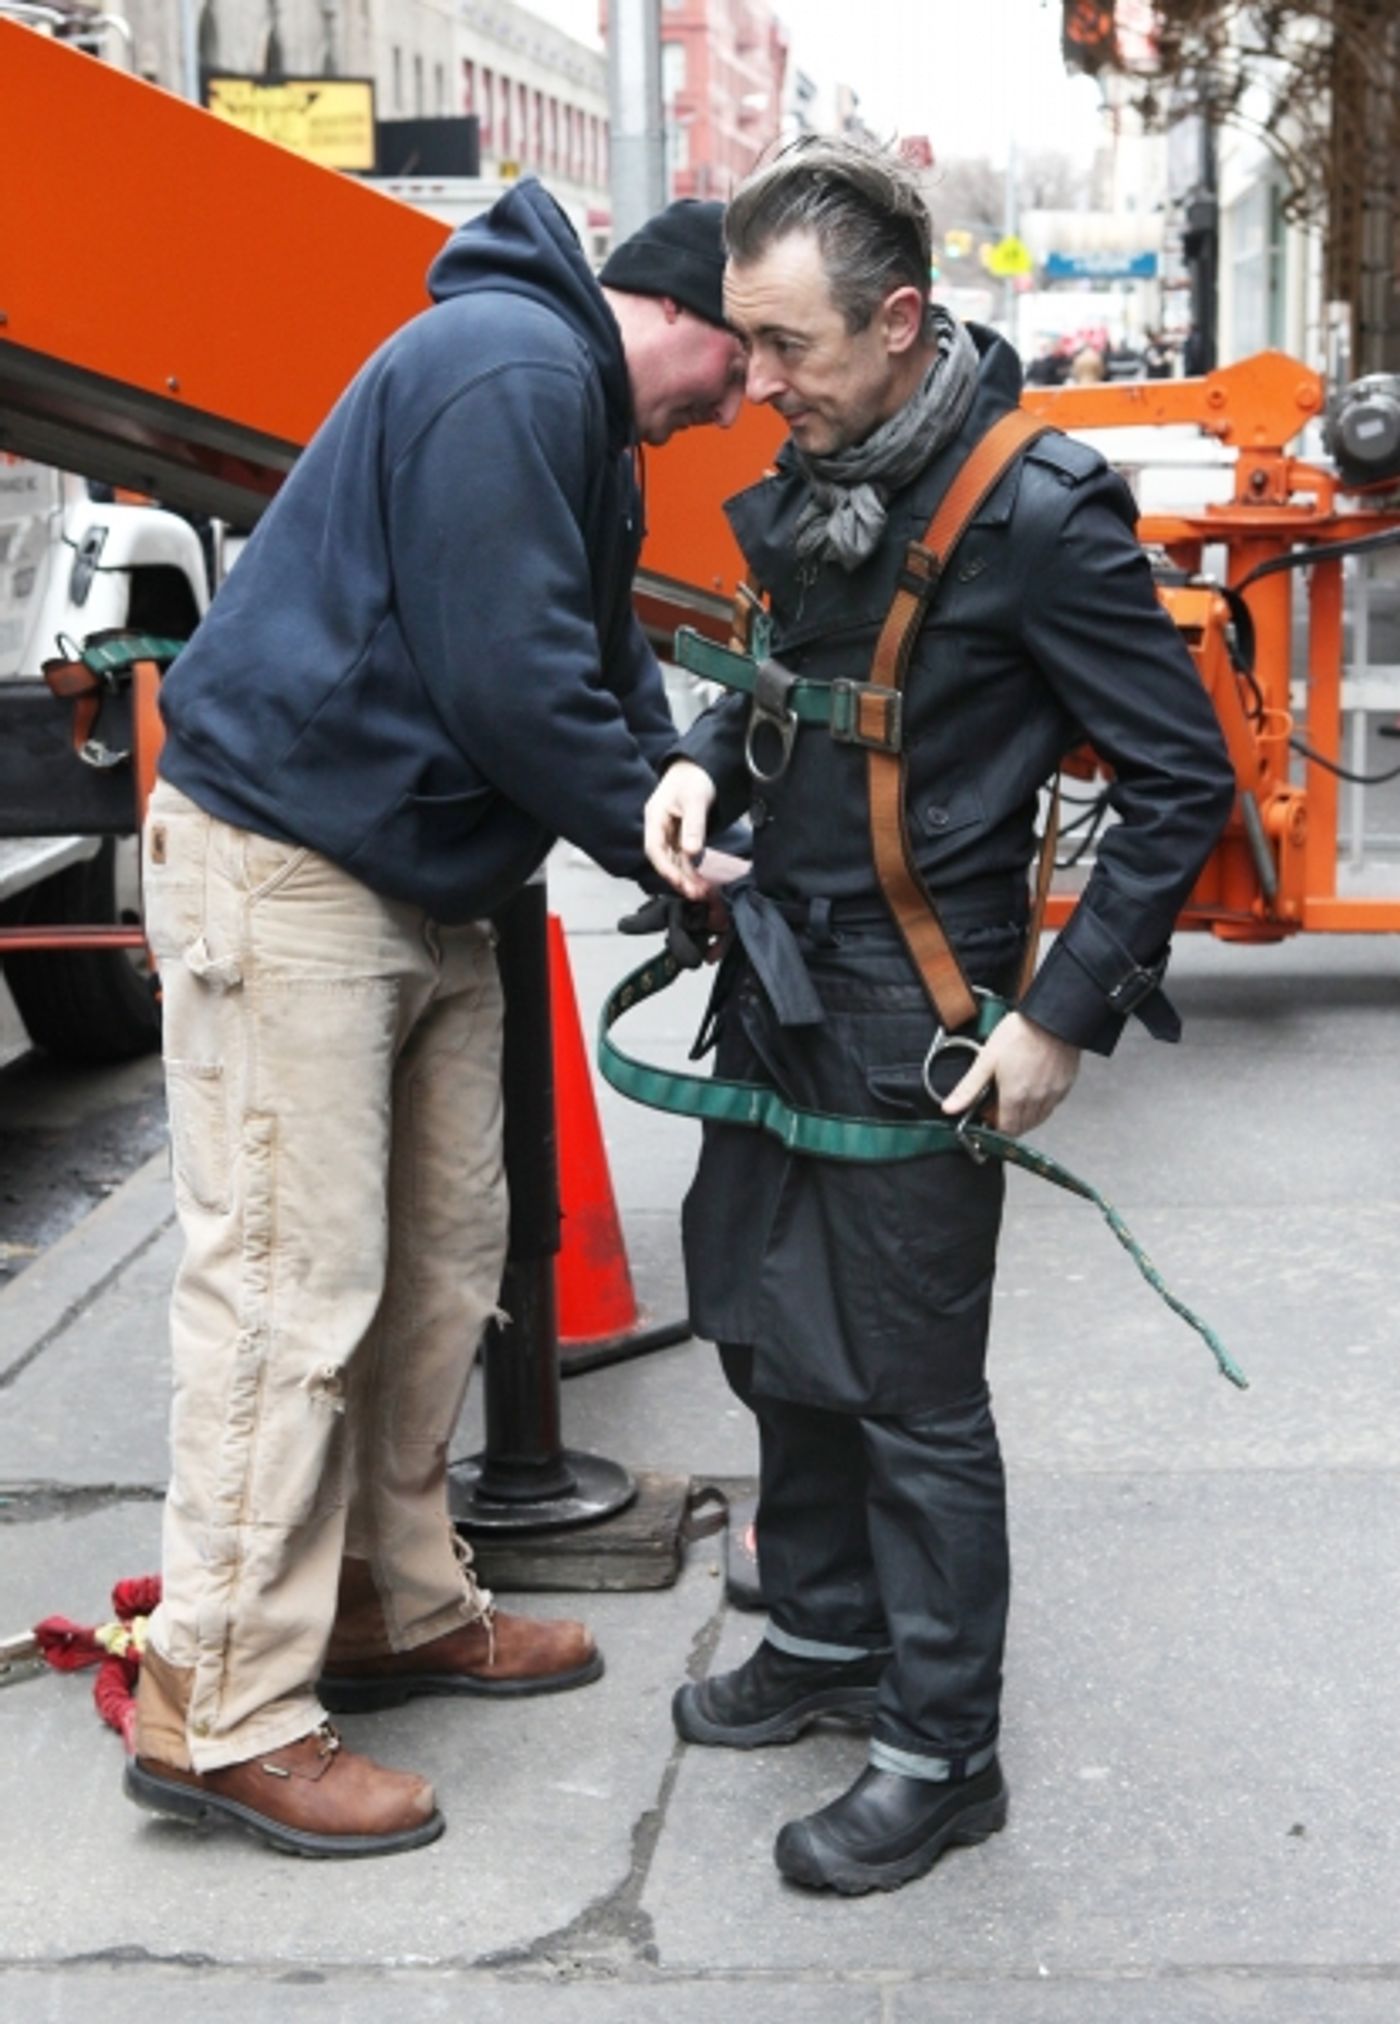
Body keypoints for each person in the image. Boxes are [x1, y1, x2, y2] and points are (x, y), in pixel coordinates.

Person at [643, 137, 1235, 1895]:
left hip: (923, 997)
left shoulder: (1042, 513)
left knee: (907, 1385)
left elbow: (1179, 781)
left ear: (899, 323)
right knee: (760, 1321)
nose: (754, 387)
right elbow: (778, 686)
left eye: (786, 350)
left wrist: (1058, 1017)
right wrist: (694, 771)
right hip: (779, 968)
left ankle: (940, 1746)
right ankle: (825, 1641)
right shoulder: (839, 449)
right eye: (742, 347)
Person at [128, 181, 746, 1859]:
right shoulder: (511, 369)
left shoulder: (573, 409)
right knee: (286, 1291)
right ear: (681, 311)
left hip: (409, 872)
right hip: (297, 864)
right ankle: (224, 1708)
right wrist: (653, 836)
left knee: (437, 1264)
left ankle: (383, 1605)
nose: (739, 404)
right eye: (741, 362)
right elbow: (505, 672)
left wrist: (674, 776)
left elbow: (591, 641)